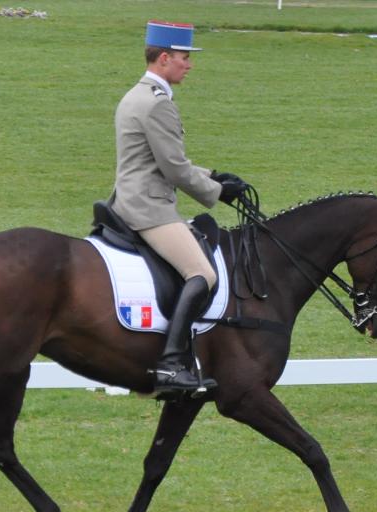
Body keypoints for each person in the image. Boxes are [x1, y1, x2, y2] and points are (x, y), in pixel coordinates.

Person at [109, 20, 248, 393]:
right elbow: (173, 168)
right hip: (148, 207)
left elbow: (162, 161)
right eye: (185, 58)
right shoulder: (157, 105)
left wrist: (215, 176)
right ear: (165, 58)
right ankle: (171, 363)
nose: (190, 65)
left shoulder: (137, 95)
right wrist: (217, 191)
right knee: (203, 274)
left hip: (132, 197)